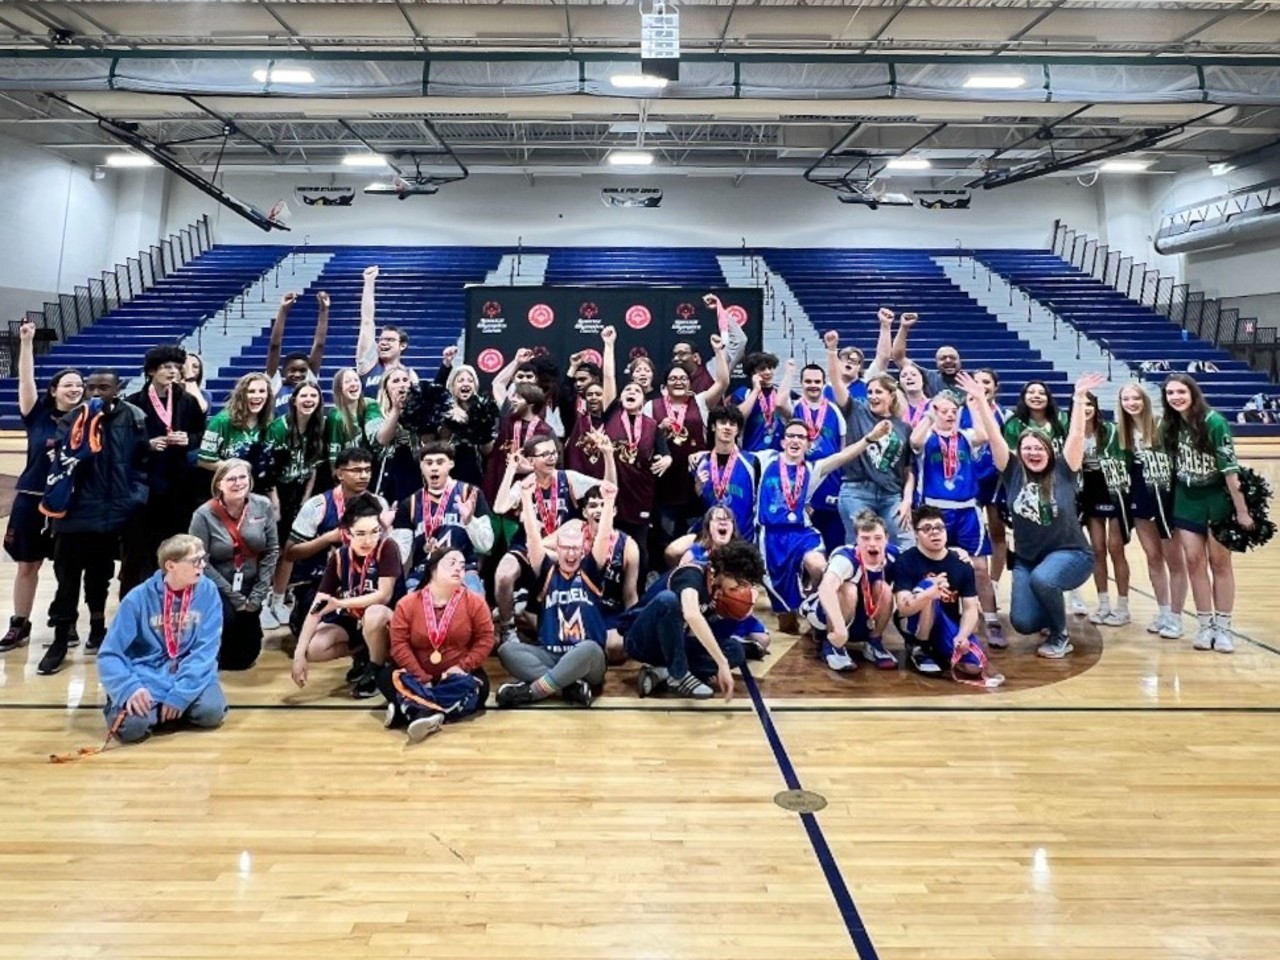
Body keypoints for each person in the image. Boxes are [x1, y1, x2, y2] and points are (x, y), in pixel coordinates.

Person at [965, 372, 1103, 659]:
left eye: (1038, 447)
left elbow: (1076, 435)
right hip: (1028, 558)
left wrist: (1078, 398)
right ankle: (1046, 604)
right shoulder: (1012, 471)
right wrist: (979, 400)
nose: (1032, 452)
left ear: (1049, 451)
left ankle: (1060, 636)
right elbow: (993, 437)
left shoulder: (1064, 470)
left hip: (1072, 553)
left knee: (1044, 579)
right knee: (1023, 623)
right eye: (1027, 448)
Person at [38, 369, 150, 674]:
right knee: (67, 579)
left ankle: (98, 630)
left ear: (118, 389)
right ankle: (61, 638)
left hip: (113, 514)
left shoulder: (134, 417)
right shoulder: (73, 418)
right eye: (92, 387)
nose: (97, 392)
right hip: (74, 514)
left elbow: (143, 460)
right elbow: (63, 461)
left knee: (100, 576)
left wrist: (134, 496)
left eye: (104, 387)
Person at [757, 418, 894, 632]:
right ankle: (794, 617)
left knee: (818, 566)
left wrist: (870, 438)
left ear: (808, 444)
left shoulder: (813, 468)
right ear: (783, 442)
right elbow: (734, 455)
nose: (795, 440)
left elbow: (842, 456)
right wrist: (702, 455)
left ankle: (818, 612)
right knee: (786, 620)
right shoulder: (766, 459)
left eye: (801, 437)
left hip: (802, 533)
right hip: (772, 537)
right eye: (790, 436)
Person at [494, 480, 619, 708]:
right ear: (556, 549)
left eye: (576, 548)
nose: (571, 553)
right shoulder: (546, 572)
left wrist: (609, 502)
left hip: (587, 659)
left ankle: (532, 693)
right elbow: (532, 540)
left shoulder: (591, 570)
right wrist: (525, 497)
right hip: (550, 655)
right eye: (565, 548)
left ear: (583, 550)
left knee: (589, 648)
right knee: (506, 650)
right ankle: (569, 687)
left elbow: (603, 538)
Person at [0, 320, 82, 653]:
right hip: (31, 501)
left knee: (67, 568)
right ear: (54, 390)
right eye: (68, 385)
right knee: (27, 565)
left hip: (69, 504)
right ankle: (19, 623)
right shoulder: (36, 415)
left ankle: (66, 621)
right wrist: (27, 342)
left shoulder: (88, 420)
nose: (75, 389)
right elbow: (26, 379)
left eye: (79, 385)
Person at [97, 534, 226, 744]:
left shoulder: (207, 591)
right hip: (148, 674)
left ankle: (166, 710)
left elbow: (206, 649)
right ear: (171, 565)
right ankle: (137, 707)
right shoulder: (137, 598)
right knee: (132, 729)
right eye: (195, 561)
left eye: (203, 558)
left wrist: (181, 694)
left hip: (189, 671)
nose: (202, 566)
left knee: (211, 713)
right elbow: (109, 654)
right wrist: (130, 688)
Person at [492, 434, 615, 646]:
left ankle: (527, 607)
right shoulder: (526, 484)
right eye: (545, 454)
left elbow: (608, 489)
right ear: (531, 461)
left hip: (562, 550)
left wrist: (608, 456)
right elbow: (499, 507)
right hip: (528, 547)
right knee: (503, 574)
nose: (552, 458)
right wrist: (511, 470)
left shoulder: (568, 478)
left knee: (541, 624)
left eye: (554, 453)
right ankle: (507, 627)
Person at [1161, 373, 1253, 654]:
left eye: (1181, 392)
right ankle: (1205, 626)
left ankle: (1224, 629)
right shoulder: (1169, 425)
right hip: (1186, 500)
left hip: (1216, 500)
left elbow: (1230, 470)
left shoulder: (1214, 423)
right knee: (1194, 562)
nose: (1175, 397)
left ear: (1193, 393)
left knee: (1220, 562)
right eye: (1170, 393)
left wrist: (1242, 511)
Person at [909, 386, 1002, 647]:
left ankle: (992, 619)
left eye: (953, 411)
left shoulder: (966, 435)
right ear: (935, 411)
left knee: (980, 569)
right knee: (934, 568)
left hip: (967, 509)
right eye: (944, 410)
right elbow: (914, 441)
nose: (949, 415)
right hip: (935, 509)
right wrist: (928, 415)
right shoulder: (926, 436)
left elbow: (984, 435)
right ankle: (935, 622)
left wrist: (971, 405)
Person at [622, 539, 766, 701]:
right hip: (642, 638)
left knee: (734, 650)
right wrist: (722, 664)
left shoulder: (717, 590)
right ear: (726, 570)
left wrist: (721, 658)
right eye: (739, 582)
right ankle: (680, 674)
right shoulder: (693, 572)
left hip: (672, 645)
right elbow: (691, 614)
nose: (740, 588)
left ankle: (663, 673)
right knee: (668, 600)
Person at [291, 493, 402, 699]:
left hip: (389, 620)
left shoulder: (387, 548)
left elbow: (383, 596)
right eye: (360, 533)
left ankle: (376, 668)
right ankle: (364, 652)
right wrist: (298, 655)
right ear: (346, 533)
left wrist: (339, 602)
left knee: (373, 614)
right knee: (314, 648)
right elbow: (317, 606)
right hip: (355, 618)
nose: (368, 540)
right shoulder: (340, 557)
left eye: (374, 532)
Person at [120, 344, 208, 595]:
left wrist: (188, 439)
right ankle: (136, 597)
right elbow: (123, 443)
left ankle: (174, 594)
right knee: (139, 547)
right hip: (144, 485)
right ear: (151, 371)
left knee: (176, 542)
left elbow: (202, 434)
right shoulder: (132, 403)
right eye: (166, 367)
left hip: (179, 484)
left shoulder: (187, 401)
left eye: (175, 367)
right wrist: (146, 445)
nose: (172, 372)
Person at [384, 547, 495, 743]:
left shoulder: (475, 603)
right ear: (433, 569)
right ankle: (434, 710)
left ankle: (413, 707)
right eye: (451, 563)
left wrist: (463, 666)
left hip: (455, 675)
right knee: (386, 677)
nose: (458, 570)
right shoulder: (407, 604)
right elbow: (399, 644)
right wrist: (421, 677)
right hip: (417, 673)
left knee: (479, 687)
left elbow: (486, 639)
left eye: (462, 566)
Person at [285, 446, 389, 637]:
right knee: (313, 634)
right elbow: (291, 552)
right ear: (340, 474)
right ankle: (300, 614)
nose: (364, 476)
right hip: (320, 580)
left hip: (365, 579)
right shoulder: (317, 505)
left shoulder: (379, 504)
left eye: (367, 470)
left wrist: (385, 530)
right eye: (356, 470)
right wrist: (327, 539)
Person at [827, 325, 915, 548]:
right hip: (857, 491)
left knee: (906, 545)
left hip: (891, 494)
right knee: (861, 548)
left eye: (878, 392)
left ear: (891, 395)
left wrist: (907, 500)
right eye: (870, 392)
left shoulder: (904, 427)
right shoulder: (856, 410)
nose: (873, 396)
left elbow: (908, 470)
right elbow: (837, 384)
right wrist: (831, 351)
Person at [645, 335, 731, 561]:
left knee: (698, 541)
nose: (679, 381)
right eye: (673, 378)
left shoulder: (700, 402)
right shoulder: (650, 407)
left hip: (695, 485)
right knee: (666, 542)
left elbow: (722, 383)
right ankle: (670, 581)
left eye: (683, 378)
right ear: (664, 386)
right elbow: (641, 444)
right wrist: (656, 432)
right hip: (664, 486)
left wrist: (718, 351)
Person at [189, 459, 278, 670]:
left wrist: (259, 593)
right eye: (231, 479)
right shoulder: (203, 514)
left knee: (246, 657)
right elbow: (200, 560)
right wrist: (233, 596)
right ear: (219, 484)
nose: (238, 483)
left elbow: (272, 550)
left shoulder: (263, 505)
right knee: (226, 637)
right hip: (217, 586)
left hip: (251, 583)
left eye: (242, 477)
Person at [1116, 383, 1187, 639]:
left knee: (1174, 559)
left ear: (1145, 400)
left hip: (1166, 497)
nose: (1131, 402)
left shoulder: (1162, 425)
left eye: (1136, 398)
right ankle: (1164, 612)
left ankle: (1177, 618)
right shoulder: (1123, 431)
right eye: (1126, 398)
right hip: (1140, 496)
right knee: (1153, 557)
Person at [664, 505, 771, 661]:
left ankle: (729, 643)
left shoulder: (741, 555)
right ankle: (724, 646)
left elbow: (751, 592)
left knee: (764, 639)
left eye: (727, 519)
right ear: (708, 526)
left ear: (733, 527)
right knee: (694, 634)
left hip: (730, 611)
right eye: (718, 519)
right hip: (704, 611)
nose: (723, 522)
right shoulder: (693, 554)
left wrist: (742, 606)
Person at [891, 506, 986, 678]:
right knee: (929, 586)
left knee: (974, 667)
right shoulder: (906, 561)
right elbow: (903, 608)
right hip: (913, 619)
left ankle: (941, 646)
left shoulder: (961, 562)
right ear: (916, 534)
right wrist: (929, 593)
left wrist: (962, 636)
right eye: (927, 529)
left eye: (939, 528)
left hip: (945, 620)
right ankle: (920, 647)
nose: (934, 533)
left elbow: (970, 608)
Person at [391, 441, 493, 597]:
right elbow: (400, 556)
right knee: (409, 608)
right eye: (428, 463)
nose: (434, 467)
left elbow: (486, 545)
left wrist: (469, 521)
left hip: (463, 570)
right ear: (421, 466)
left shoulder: (471, 493)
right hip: (423, 570)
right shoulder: (409, 504)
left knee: (476, 601)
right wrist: (386, 532)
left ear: (451, 464)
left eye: (440, 462)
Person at [800, 510, 898, 672]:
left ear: (887, 539)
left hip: (863, 615)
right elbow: (826, 588)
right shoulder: (845, 558)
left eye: (878, 538)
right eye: (865, 539)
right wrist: (839, 627)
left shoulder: (894, 555)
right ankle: (832, 645)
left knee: (884, 589)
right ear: (856, 540)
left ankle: (874, 643)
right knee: (849, 588)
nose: (872, 544)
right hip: (829, 615)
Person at [263, 382, 326, 627]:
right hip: (277, 492)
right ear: (294, 400)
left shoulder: (317, 428)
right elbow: (268, 468)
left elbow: (312, 470)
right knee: (274, 549)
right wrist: (274, 501)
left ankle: (279, 599)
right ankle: (265, 601)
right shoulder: (279, 427)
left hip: (300, 492)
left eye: (314, 395)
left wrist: (306, 499)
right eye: (304, 395)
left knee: (291, 550)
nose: (309, 399)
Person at [1075, 390, 1133, 627]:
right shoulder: (1074, 431)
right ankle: (1104, 604)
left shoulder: (1111, 430)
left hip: (1114, 488)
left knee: (1115, 547)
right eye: (1081, 404)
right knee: (1097, 549)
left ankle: (1123, 606)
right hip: (1089, 490)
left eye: (1090, 404)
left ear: (1096, 407)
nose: (1086, 408)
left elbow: (1128, 458)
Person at [778, 362, 847, 550]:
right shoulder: (794, 408)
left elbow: (843, 449)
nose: (813, 385)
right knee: (807, 550)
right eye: (808, 381)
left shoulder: (834, 410)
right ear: (801, 383)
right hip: (803, 487)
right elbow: (779, 402)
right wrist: (789, 372)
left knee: (834, 545)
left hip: (831, 487)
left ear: (824, 383)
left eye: (817, 381)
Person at [691, 405, 758, 543]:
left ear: (738, 430)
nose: (727, 427)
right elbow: (695, 505)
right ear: (713, 427)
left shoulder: (752, 462)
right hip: (709, 536)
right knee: (672, 552)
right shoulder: (700, 462)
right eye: (722, 423)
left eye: (732, 424)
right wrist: (697, 490)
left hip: (742, 537)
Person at [433, 348, 499, 488]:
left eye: (470, 380)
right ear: (452, 386)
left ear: (475, 386)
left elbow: (487, 451)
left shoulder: (483, 410)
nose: (465, 384)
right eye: (460, 380)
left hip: (475, 474)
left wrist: (482, 429)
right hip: (447, 473)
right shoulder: (444, 410)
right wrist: (446, 364)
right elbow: (435, 392)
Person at [263, 290, 329, 416]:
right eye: (292, 370)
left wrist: (324, 310)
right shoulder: (275, 385)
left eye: (302, 370)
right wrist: (283, 310)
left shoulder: (310, 383)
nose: (297, 374)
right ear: (283, 371)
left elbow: (319, 345)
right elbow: (274, 346)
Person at [356, 265, 419, 396]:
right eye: (381, 340)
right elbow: (367, 321)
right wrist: (369, 283)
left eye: (390, 340)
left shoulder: (409, 375)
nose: (383, 343)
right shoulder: (369, 364)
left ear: (402, 345)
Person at [198, 372, 274, 476]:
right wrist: (237, 468)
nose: (257, 396)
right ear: (241, 395)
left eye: (262, 391)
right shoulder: (220, 421)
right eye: (251, 391)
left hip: (257, 483)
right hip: (223, 483)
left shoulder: (269, 423)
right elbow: (204, 461)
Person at [890, 310, 962, 396]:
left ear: (960, 361)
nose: (948, 360)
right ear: (937, 363)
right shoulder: (929, 378)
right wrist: (904, 327)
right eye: (943, 358)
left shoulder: (973, 381)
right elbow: (898, 357)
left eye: (952, 357)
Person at [733, 353, 793, 453]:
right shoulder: (744, 393)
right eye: (762, 369)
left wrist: (789, 373)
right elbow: (738, 418)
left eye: (770, 368)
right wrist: (756, 390)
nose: (768, 372)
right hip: (751, 453)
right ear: (753, 372)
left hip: (778, 455)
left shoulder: (780, 393)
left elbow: (789, 415)